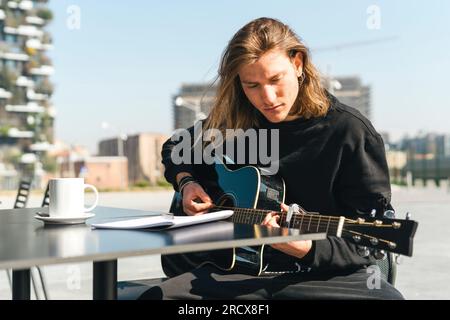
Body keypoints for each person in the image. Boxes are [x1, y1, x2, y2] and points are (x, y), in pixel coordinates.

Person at [139, 17, 403, 300]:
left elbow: (366, 245)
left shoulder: (349, 131)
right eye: (251, 85)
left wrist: (307, 248)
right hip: (232, 271)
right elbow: (175, 148)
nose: (268, 97)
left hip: (317, 274)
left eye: (276, 80)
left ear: (298, 64)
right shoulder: (235, 123)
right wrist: (187, 182)